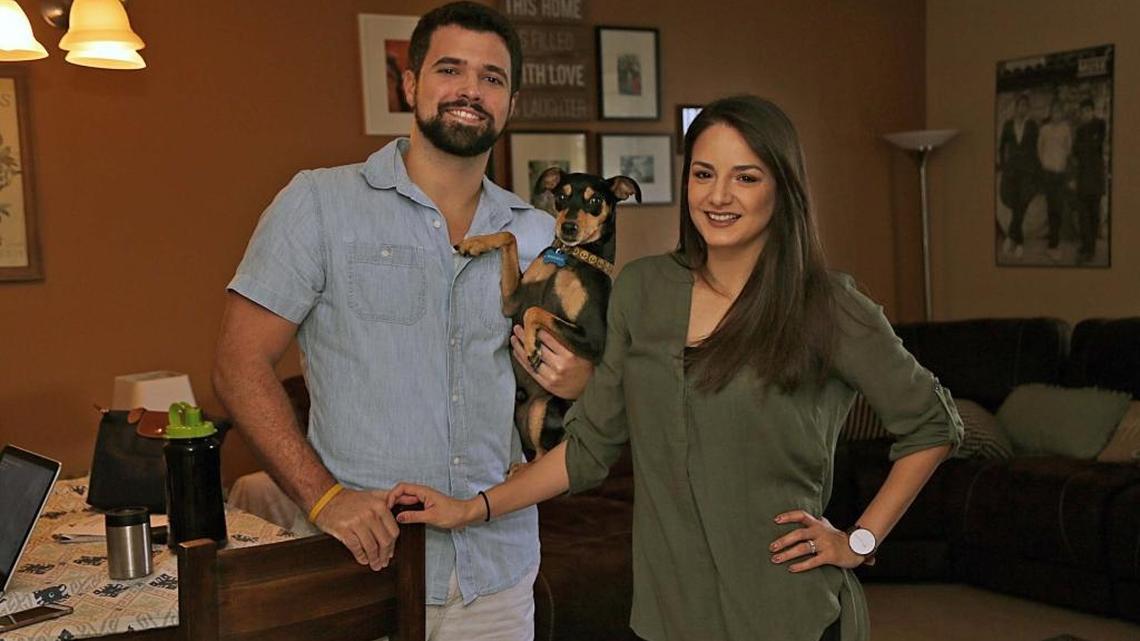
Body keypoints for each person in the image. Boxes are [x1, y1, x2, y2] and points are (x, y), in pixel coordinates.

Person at [387, 95, 964, 641]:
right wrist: (472, 508)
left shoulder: (827, 305)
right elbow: (589, 448)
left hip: (787, 614)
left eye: (746, 176)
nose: (719, 195)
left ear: (782, 189)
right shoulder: (643, 288)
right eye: (704, 173)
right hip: (666, 617)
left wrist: (859, 540)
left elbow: (934, 424)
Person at [212, 3, 592, 639]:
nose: (471, 90)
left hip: (495, 580)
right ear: (410, 84)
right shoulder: (318, 204)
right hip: (358, 571)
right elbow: (237, 364)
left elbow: (581, 401)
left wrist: (580, 383)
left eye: (492, 78)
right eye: (450, 69)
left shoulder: (538, 236)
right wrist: (324, 497)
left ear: (510, 102)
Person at [998, 93, 1040, 258]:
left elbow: (1037, 149)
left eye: (1025, 106)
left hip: (1028, 171)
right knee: (1016, 203)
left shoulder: (1032, 125)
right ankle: (1017, 240)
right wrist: (1002, 165)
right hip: (1012, 171)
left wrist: (1036, 169)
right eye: (1020, 105)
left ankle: (1013, 239)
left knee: (1022, 203)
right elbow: (1002, 147)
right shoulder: (1008, 125)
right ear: (1016, 108)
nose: (1022, 108)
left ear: (1027, 108)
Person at [1071, 97, 1107, 263]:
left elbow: (1096, 145)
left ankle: (1090, 250)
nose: (1085, 114)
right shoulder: (1079, 131)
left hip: (1095, 179)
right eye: (1083, 111)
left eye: (1088, 111)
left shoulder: (1100, 125)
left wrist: (1085, 147)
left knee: (1093, 216)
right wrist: (1086, 147)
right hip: (1083, 178)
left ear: (1093, 111)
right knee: (1083, 216)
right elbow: (1075, 152)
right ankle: (1086, 245)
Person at [1036, 99, 1072, 261]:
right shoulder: (1044, 130)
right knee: (1051, 207)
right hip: (1048, 173)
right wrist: (1046, 163)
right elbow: (1039, 149)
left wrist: (1061, 163)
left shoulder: (1065, 129)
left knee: (1058, 207)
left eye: (1059, 112)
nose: (1056, 114)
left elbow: (1068, 149)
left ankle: (1055, 243)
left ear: (1061, 113)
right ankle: (1052, 244)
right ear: (1050, 113)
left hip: (1060, 174)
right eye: (1054, 111)